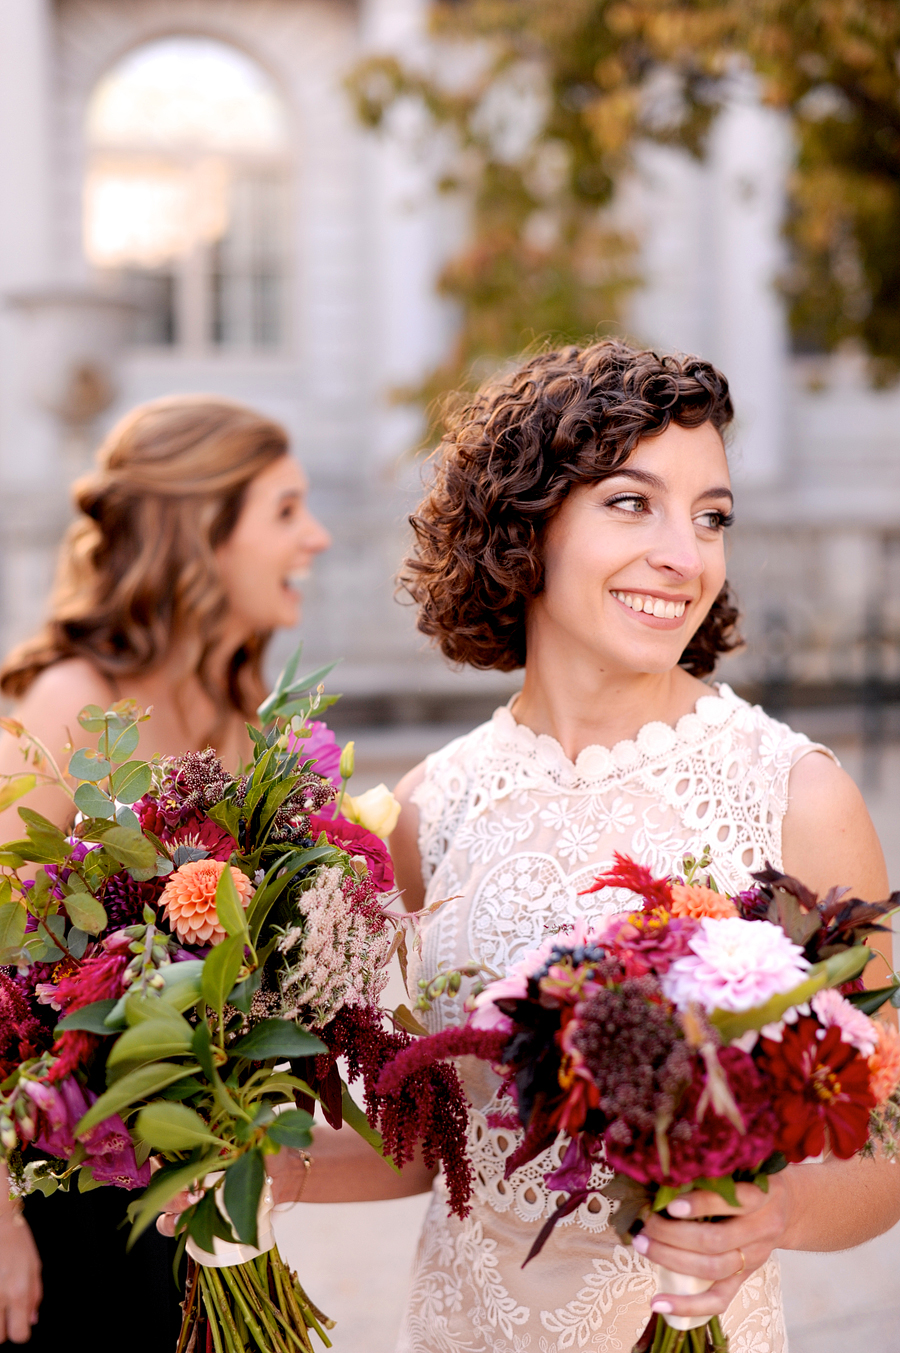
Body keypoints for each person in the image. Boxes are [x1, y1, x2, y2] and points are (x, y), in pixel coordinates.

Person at [378, 340, 900, 1351]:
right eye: (632, 503)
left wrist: (776, 1214)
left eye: (711, 517)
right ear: (524, 524)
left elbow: (887, 1137)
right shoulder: (427, 806)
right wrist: (239, 1159)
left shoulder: (796, 796)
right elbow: (429, 1134)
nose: (686, 554)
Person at [0, 394, 332, 1347]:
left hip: (187, 1203)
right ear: (202, 533)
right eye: (284, 510)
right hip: (58, 1206)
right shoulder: (74, 702)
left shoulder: (240, 718)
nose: (313, 536)